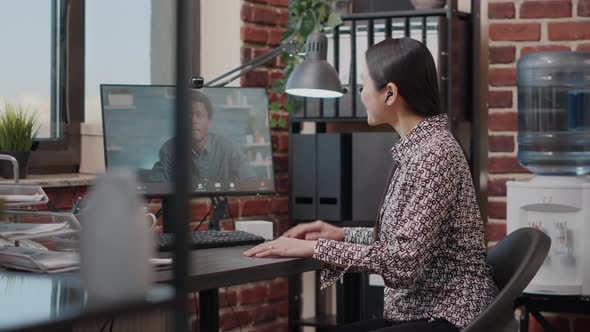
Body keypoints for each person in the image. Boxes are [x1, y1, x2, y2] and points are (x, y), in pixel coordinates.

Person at [244, 37, 498, 332]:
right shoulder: (420, 148)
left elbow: (402, 262)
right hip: (423, 311)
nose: (361, 93)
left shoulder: (434, 154)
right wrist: (341, 234)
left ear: (389, 93)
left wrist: (313, 249)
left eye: (364, 84)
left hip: (448, 315)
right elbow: (403, 241)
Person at [151, 89, 256, 186]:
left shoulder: (226, 147)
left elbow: (251, 180)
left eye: (199, 115)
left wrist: (222, 187)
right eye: (188, 116)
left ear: (209, 122)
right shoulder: (169, 149)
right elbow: (155, 187)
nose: (193, 121)